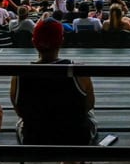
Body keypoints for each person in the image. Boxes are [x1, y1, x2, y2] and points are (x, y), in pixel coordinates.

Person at [10, 18, 97, 149]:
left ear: (34, 42)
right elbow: (89, 105)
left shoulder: (19, 75)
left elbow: (20, 112)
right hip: (76, 137)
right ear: (61, 41)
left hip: (34, 139)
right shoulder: (78, 71)